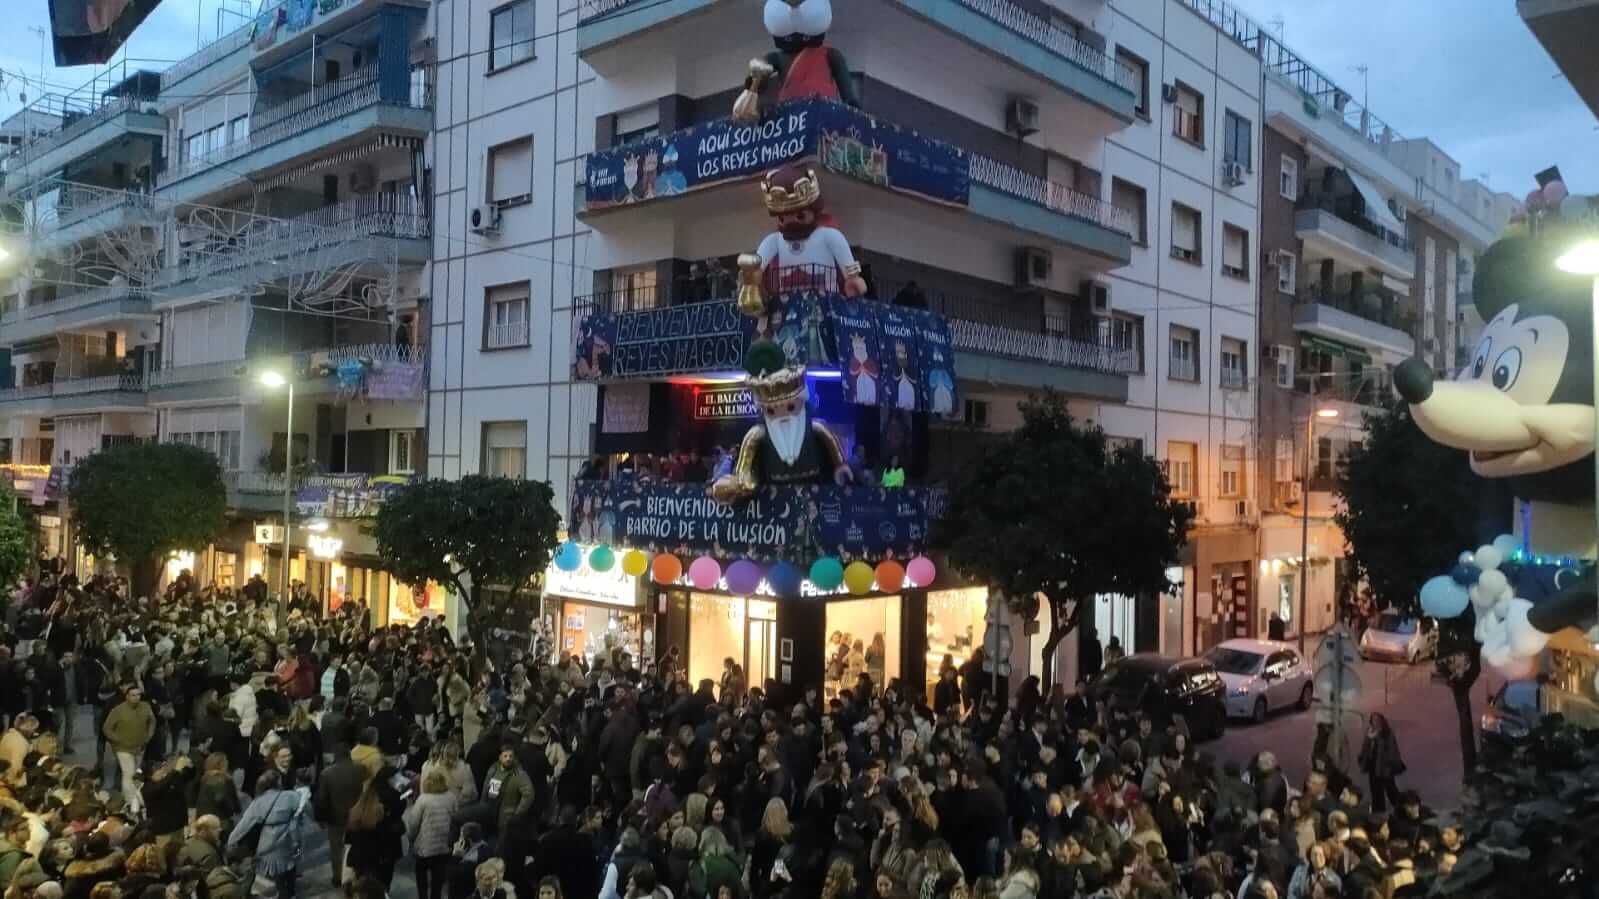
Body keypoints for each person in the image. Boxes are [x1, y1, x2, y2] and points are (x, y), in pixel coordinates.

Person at [226, 770, 309, 899]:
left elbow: (244, 825)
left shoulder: (258, 803)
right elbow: (304, 808)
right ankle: (291, 892)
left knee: (278, 874)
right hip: (290, 839)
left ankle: (284, 894)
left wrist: (231, 841)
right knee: (291, 864)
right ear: (278, 783)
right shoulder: (290, 796)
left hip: (269, 843)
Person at [406, 769, 460, 899]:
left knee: (421, 875)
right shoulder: (451, 797)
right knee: (438, 879)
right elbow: (457, 818)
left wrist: (411, 839)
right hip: (444, 846)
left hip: (425, 847)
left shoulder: (423, 799)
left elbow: (414, 823)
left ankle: (423, 897)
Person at [101, 683, 155, 814]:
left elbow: (152, 720)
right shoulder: (118, 710)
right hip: (123, 749)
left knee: (136, 774)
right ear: (126, 697)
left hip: (140, 747)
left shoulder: (146, 707)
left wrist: (149, 735)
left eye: (138, 695)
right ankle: (132, 802)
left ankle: (135, 799)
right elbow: (106, 728)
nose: (136, 697)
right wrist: (118, 740)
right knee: (128, 773)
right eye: (133, 695)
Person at [1358, 712, 1407, 813]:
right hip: (1372, 765)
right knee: (1376, 790)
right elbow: (1365, 748)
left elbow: (1392, 749)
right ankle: (1378, 811)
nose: (1375, 721)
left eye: (1377, 719)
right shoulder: (1369, 732)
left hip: (1384, 766)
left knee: (1391, 789)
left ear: (1381, 721)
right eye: (1373, 719)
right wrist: (1363, 758)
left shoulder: (1387, 732)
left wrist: (1391, 763)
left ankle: (1402, 808)